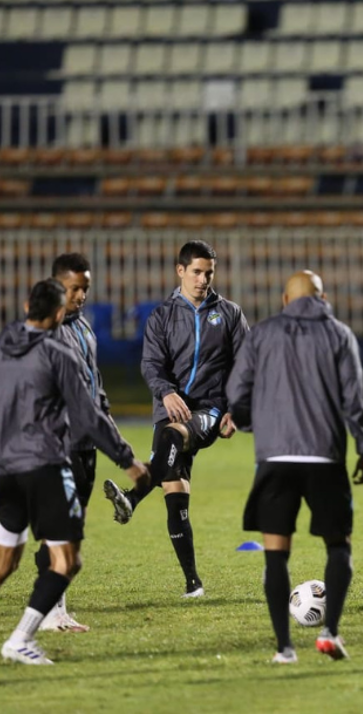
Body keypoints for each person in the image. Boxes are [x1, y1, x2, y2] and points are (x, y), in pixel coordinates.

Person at [0, 279, 148, 665]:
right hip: (45, 469)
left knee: (2, 563)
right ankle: (20, 638)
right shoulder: (58, 352)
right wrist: (126, 459)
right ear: (59, 314)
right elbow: (88, 417)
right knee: (67, 561)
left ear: (26, 305)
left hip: (5, 473)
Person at [226, 271, 363, 663]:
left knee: (276, 553)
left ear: (284, 298)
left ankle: (284, 648)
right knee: (338, 545)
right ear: (323, 297)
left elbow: (237, 390)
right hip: (324, 456)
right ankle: (330, 632)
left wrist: (247, 421)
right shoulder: (339, 334)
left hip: (275, 458)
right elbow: (356, 398)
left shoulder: (260, 333)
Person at [102, 240, 249, 598]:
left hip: (209, 409)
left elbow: (247, 365)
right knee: (175, 491)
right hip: (170, 407)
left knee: (171, 438)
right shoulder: (161, 316)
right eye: (196, 272)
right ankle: (193, 584)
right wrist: (166, 392)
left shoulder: (229, 313)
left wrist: (237, 408)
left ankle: (132, 498)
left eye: (209, 273)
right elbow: (151, 364)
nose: (203, 280)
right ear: (180, 270)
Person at [33, 253, 117, 632]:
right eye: (73, 288)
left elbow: (92, 379)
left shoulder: (83, 327)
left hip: (84, 442)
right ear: (56, 287)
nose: (80, 295)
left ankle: (56, 608)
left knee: (73, 527)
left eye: (85, 288)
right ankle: (49, 612)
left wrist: (104, 415)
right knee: (58, 529)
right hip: (58, 443)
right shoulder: (45, 331)